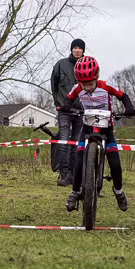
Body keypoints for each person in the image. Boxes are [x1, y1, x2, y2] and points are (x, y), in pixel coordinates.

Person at [62, 56, 135, 212]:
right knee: (79, 158)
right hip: (87, 126)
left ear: (96, 78)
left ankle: (118, 191)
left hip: (106, 127)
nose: (87, 88)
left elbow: (123, 96)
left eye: (90, 84)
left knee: (115, 161)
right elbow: (68, 99)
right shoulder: (77, 88)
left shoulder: (105, 86)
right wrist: (66, 107)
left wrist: (128, 108)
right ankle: (74, 192)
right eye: (84, 85)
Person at [50, 39, 85, 186]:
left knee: (77, 143)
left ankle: (73, 174)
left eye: (80, 48)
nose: (77, 50)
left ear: (83, 50)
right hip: (64, 110)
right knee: (64, 140)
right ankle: (63, 174)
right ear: (71, 49)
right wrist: (59, 103)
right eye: (75, 47)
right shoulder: (61, 64)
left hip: (81, 111)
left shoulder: (86, 65)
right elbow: (54, 85)